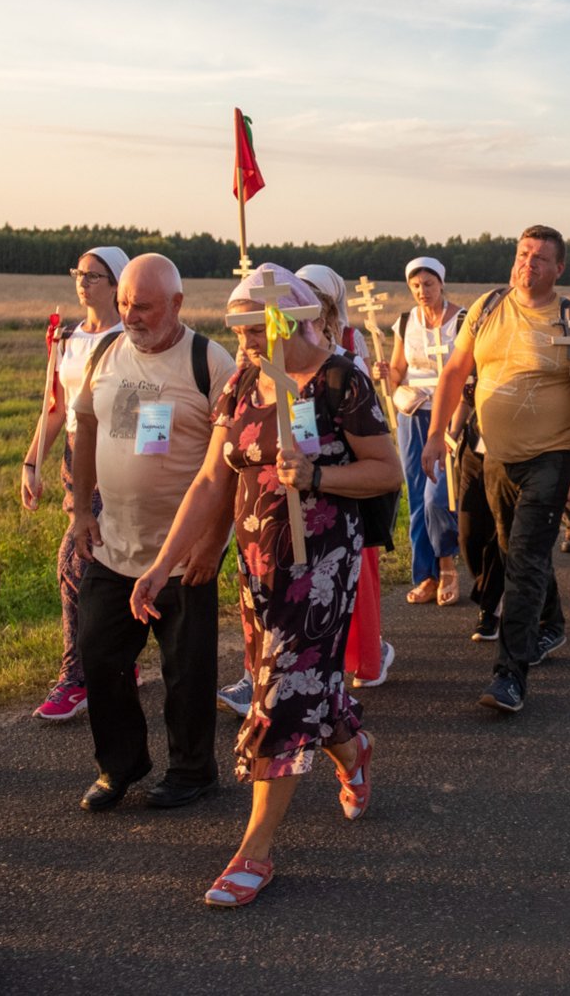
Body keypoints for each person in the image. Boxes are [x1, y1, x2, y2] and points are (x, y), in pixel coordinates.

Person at [128, 265, 401, 908]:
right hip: (256, 568)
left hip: (321, 568)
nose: (246, 345)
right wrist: (163, 562)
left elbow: (385, 471)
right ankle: (351, 745)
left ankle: (254, 852)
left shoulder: (342, 381)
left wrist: (317, 477)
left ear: (288, 321)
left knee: (278, 698)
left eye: (256, 331)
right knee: (302, 687)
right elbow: (209, 482)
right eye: (241, 332)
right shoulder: (247, 382)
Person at [65, 255, 236, 814]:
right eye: (124, 305)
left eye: (143, 306)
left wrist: (213, 540)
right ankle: (121, 766)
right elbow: (87, 422)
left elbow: (233, 463)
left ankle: (192, 771)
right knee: (99, 654)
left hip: (184, 555)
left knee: (186, 673)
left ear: (178, 305)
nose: (131, 316)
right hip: (114, 545)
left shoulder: (208, 362)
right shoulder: (106, 353)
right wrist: (80, 508)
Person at [421, 227, 570, 714]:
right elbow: (455, 371)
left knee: (522, 560)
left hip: (551, 457)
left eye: (541, 259)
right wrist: (437, 433)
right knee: (510, 549)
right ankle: (553, 624)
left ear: (559, 269)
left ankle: (510, 677)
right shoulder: (486, 309)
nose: (529, 264)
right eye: (524, 255)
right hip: (495, 454)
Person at [20, 245, 128, 721]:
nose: (83, 282)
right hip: (72, 460)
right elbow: (54, 407)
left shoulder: (130, 338)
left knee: (74, 564)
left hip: (113, 461)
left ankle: (76, 677)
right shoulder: (66, 338)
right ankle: (118, 658)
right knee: (103, 566)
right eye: (78, 273)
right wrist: (30, 464)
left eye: (94, 275)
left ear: (117, 283)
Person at [295, 264, 397, 691]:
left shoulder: (347, 357)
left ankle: (366, 656)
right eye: (302, 294)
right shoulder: (291, 353)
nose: (310, 303)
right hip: (299, 478)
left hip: (347, 486)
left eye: (317, 295)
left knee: (356, 579)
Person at [386, 257, 464, 607]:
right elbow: (397, 370)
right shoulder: (405, 322)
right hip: (412, 414)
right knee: (418, 496)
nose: (422, 291)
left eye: (428, 284)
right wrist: (382, 373)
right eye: (415, 286)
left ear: (441, 283)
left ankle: (448, 563)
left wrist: (455, 423)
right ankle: (426, 575)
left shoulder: (461, 321)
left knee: (439, 495)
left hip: (450, 413)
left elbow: (467, 371)